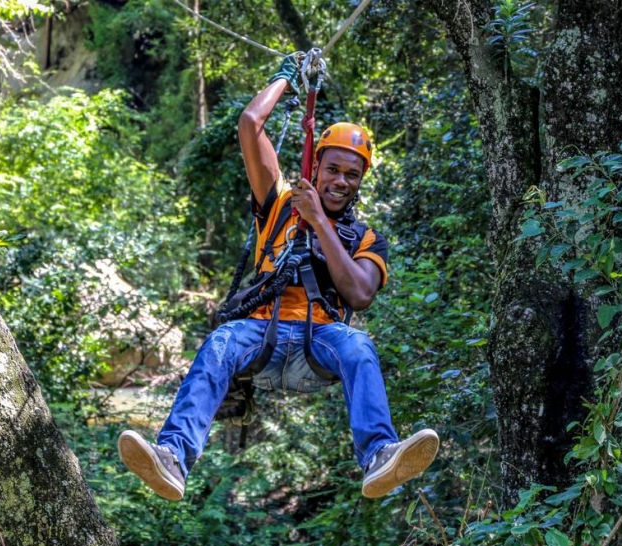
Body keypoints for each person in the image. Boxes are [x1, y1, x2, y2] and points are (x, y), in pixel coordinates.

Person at [117, 54, 439, 502]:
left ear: (361, 181)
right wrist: (285, 78)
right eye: (332, 169)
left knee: (360, 345)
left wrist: (320, 224)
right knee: (220, 342)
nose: (340, 181)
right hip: (261, 337)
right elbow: (251, 124)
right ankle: (173, 456)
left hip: (320, 345)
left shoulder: (366, 238)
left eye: (352, 174)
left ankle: (379, 455)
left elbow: (361, 294)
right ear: (316, 167)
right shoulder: (279, 202)